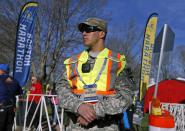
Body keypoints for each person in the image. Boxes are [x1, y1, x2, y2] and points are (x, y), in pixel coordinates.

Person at [56, 18, 132, 131]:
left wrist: (94, 112)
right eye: (82, 30)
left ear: (101, 33)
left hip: (106, 126)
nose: (84, 33)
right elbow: (61, 89)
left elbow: (126, 96)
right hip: (76, 126)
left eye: (89, 29)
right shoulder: (72, 62)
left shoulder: (118, 62)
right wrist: (79, 107)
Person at [0, 64, 22, 131]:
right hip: (11, 108)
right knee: (9, 128)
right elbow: (19, 92)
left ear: (1, 71)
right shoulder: (15, 81)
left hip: (1, 107)